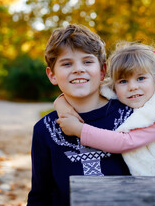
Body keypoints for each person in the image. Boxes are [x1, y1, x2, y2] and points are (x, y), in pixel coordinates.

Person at [27, 24, 134, 206]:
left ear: (102, 71)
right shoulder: (45, 129)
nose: (78, 69)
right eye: (67, 64)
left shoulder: (130, 114)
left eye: (87, 61)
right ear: (52, 75)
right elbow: (41, 192)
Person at [55, 42, 155, 176]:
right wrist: (61, 103)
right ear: (115, 86)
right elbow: (89, 89)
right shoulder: (130, 95)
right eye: (123, 81)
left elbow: (125, 141)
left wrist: (79, 130)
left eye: (141, 78)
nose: (132, 87)